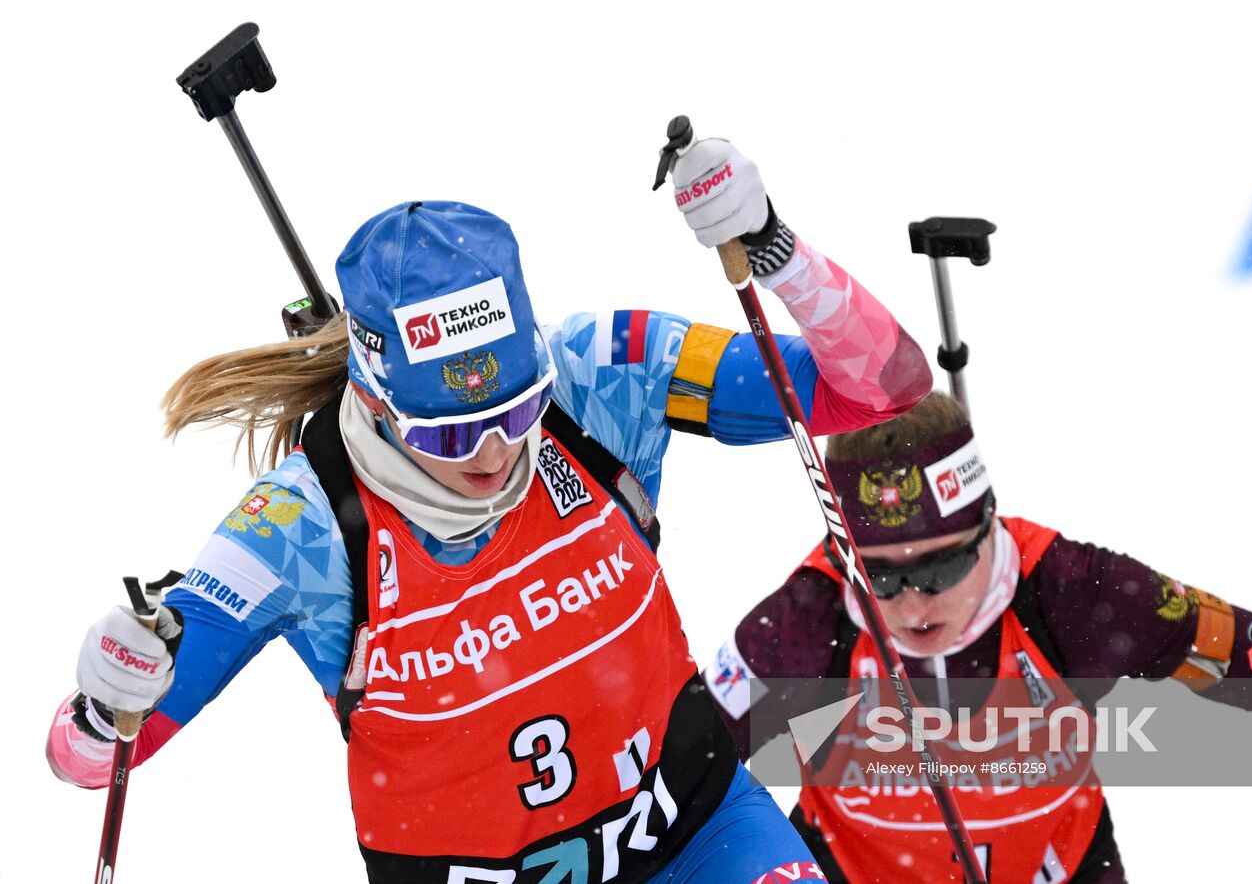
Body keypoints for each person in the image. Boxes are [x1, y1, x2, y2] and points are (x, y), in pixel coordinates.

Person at [47, 135, 935, 884]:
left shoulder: (599, 374)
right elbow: (90, 761)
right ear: (379, 397)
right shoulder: (297, 529)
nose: (493, 452)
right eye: (447, 433)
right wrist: (104, 697)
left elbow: (884, 387)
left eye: (515, 411)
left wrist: (775, 248)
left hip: (700, 832)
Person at [704, 390, 1252, 883]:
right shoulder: (805, 620)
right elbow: (685, 773)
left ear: (990, 526)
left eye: (942, 565)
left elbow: (1233, 652)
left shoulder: (1073, 588)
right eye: (881, 575)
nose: (914, 600)